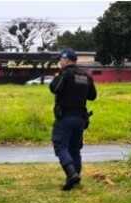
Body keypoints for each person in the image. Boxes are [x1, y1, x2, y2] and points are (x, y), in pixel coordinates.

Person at [49, 48, 97, 191]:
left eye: (61, 60)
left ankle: (71, 174)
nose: (60, 62)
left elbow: (54, 88)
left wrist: (58, 75)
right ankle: (75, 179)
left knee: (61, 146)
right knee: (75, 149)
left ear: (66, 60)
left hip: (65, 117)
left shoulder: (66, 74)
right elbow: (92, 96)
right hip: (80, 118)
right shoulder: (86, 75)